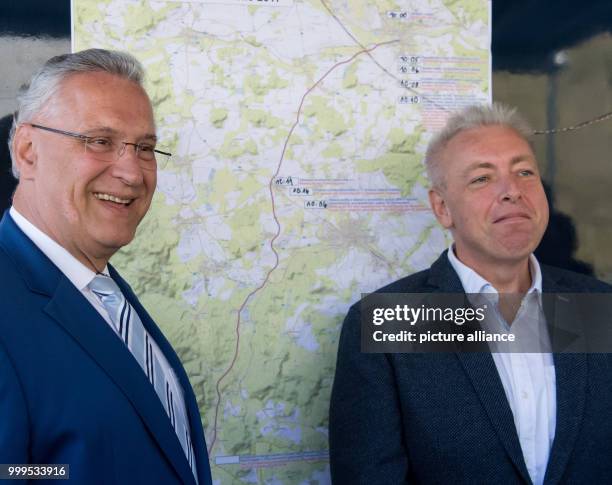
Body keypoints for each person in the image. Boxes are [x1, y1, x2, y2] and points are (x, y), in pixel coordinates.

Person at [329, 103, 612, 484]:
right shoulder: (391, 321)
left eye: (524, 172)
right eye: (482, 179)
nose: (512, 191)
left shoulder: (597, 308)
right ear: (442, 208)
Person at [0, 49, 212, 485]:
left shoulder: (103, 291)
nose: (132, 173)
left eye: (146, 148)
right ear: (28, 151)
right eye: (100, 141)